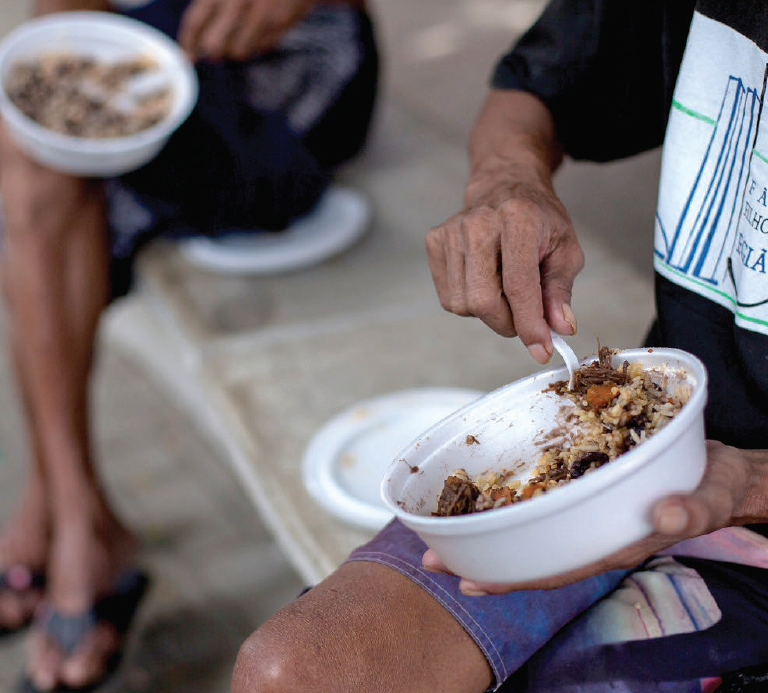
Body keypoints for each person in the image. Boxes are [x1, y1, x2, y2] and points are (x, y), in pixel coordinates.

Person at [230, 1, 768, 691]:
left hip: (737, 510)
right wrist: (509, 179)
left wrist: (747, 482)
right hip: (657, 460)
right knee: (295, 671)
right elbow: (533, 86)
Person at [0, 0, 377, 690]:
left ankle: (65, 514)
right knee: (33, 131)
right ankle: (68, 508)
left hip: (289, 57)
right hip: (157, 44)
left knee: (32, 165)